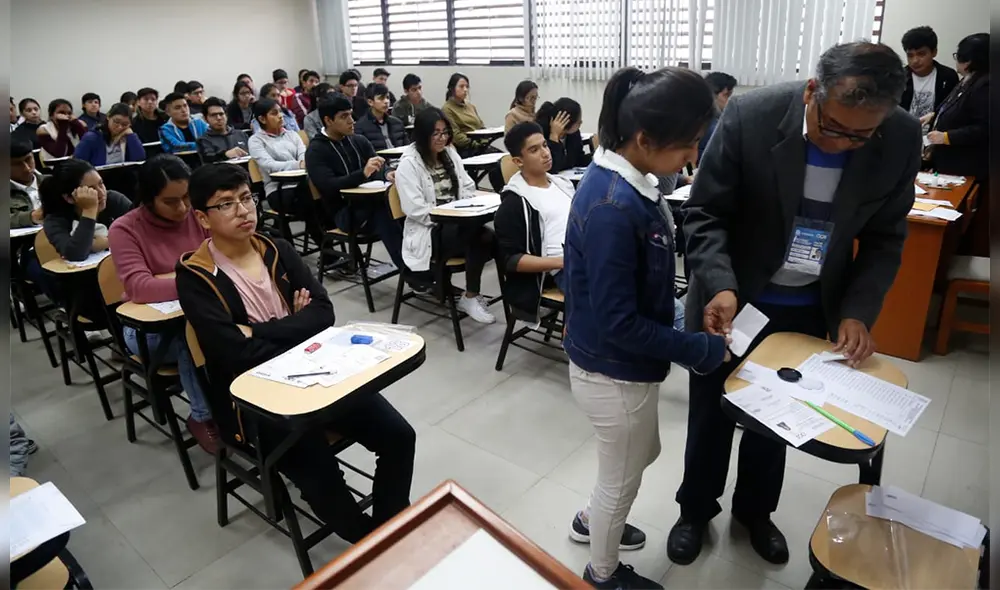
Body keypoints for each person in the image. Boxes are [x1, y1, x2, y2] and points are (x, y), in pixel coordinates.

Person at [671, 41, 919, 567]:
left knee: (781, 420)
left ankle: (755, 513)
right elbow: (704, 213)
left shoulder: (899, 136)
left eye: (861, 135)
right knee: (712, 413)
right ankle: (694, 509)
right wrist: (718, 282)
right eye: (833, 127)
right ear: (812, 92)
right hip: (731, 300)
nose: (843, 145)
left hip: (809, 307)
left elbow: (885, 237)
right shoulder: (751, 115)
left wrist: (857, 309)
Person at [177, 163, 415, 544]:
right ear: (203, 218)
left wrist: (259, 330)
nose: (243, 210)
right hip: (256, 400)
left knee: (399, 435)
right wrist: (295, 323)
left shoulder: (277, 248)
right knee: (318, 465)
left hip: (318, 372)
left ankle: (390, 526)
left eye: (245, 198)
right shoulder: (195, 276)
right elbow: (235, 355)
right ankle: (369, 542)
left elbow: (323, 313)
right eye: (226, 204)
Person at [563, 66, 728, 590]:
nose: (692, 158)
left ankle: (592, 519)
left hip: (619, 364)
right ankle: (602, 572)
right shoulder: (613, 205)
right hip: (613, 370)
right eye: (689, 146)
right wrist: (696, 349)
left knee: (641, 453)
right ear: (645, 139)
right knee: (622, 476)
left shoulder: (628, 183)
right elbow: (618, 323)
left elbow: (635, 288)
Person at [107, 155, 219, 451]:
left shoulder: (198, 213)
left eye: (186, 197)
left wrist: (176, 283)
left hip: (201, 311)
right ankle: (202, 416)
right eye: (171, 201)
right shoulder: (124, 229)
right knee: (189, 335)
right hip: (146, 332)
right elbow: (139, 287)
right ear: (147, 198)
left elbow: (226, 257)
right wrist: (201, 282)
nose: (183, 208)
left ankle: (241, 403)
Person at [396, 107, 497, 324]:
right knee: (480, 237)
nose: (442, 138)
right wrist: (450, 216)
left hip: (457, 221)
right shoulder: (409, 164)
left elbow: (468, 185)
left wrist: (465, 208)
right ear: (423, 135)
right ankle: (470, 296)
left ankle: (471, 295)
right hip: (430, 229)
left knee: (488, 235)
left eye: (445, 132)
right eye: (436, 133)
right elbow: (415, 210)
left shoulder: (450, 153)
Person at [305, 95, 405, 270]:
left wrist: (388, 173)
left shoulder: (358, 140)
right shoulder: (316, 150)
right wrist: (363, 174)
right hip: (343, 214)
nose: (352, 121)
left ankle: (427, 266)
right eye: (344, 116)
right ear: (328, 120)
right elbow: (329, 186)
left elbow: (378, 166)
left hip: (368, 203)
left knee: (404, 206)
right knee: (384, 212)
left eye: (351, 114)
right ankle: (412, 275)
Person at [494, 121, 575, 323]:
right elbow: (511, 260)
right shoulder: (515, 202)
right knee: (609, 293)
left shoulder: (562, 184)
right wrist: (563, 261)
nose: (545, 153)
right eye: (534, 150)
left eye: (545, 145)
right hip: (557, 271)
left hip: (585, 256)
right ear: (519, 161)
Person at [925, 32, 989, 257]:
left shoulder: (986, 84)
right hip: (948, 165)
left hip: (966, 167)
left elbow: (986, 128)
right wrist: (934, 116)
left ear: (970, 59)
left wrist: (947, 137)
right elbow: (957, 109)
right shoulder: (969, 79)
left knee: (950, 224)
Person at [40, 158, 132, 262]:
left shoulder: (114, 200)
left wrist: (108, 241)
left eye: (101, 184)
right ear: (69, 198)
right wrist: (89, 210)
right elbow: (76, 254)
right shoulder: (55, 219)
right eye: (91, 189)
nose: (101, 193)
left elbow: (145, 230)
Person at [248, 98, 307, 211]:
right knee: (310, 198)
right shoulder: (256, 140)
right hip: (278, 189)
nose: (281, 116)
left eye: (280, 111)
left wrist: (302, 163)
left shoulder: (292, 134)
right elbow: (270, 166)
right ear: (262, 119)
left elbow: (302, 154)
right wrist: (298, 165)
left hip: (301, 183)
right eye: (274, 113)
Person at [899, 26, 960, 125]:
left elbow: (952, 110)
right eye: (910, 55)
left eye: (921, 54)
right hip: (904, 131)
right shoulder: (899, 77)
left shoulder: (948, 76)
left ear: (934, 52)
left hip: (936, 134)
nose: (915, 60)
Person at [73, 103, 146, 167]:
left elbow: (139, 158)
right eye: (116, 122)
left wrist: (131, 135)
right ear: (108, 117)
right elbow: (78, 164)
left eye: (125, 124)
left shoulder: (127, 136)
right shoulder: (92, 137)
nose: (120, 127)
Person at [535, 98, 589, 173]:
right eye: (578, 121)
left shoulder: (573, 134)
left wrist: (596, 156)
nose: (581, 122)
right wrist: (554, 137)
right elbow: (550, 169)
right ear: (567, 121)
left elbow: (577, 159)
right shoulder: (540, 135)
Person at [441, 73, 486, 157]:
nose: (465, 89)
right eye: (461, 86)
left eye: (467, 87)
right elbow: (455, 135)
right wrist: (474, 144)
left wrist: (484, 141)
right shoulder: (447, 109)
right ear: (452, 89)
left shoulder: (471, 106)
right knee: (499, 164)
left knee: (505, 159)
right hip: (465, 149)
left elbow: (481, 126)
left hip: (480, 146)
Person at [354, 83, 408, 152]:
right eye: (381, 98)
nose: (386, 101)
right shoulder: (360, 127)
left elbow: (407, 148)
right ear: (370, 102)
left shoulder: (397, 123)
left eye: (387, 97)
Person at [699, 72, 737, 161]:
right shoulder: (712, 127)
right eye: (726, 95)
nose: (730, 101)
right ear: (712, 94)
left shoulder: (714, 120)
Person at [198, 97, 250, 163]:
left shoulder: (241, 134)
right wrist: (225, 155)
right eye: (213, 115)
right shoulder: (203, 140)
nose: (218, 118)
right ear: (205, 119)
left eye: (221, 114)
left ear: (226, 115)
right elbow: (209, 162)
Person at [10, 139, 45, 229]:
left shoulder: (55, 182)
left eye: (28, 159)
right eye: (17, 164)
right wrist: (32, 217)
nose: (27, 168)